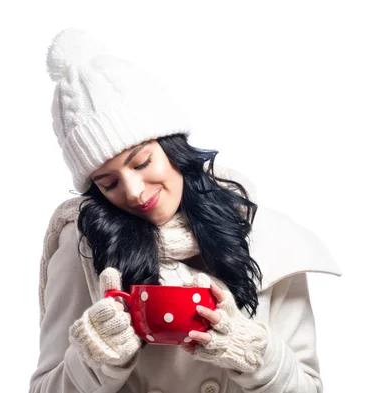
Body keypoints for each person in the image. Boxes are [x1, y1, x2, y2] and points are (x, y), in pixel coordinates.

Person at [29, 27, 342, 393]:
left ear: (173, 147)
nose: (133, 191)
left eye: (142, 162)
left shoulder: (266, 238)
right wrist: (93, 360)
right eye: (108, 183)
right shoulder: (84, 246)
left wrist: (254, 354)